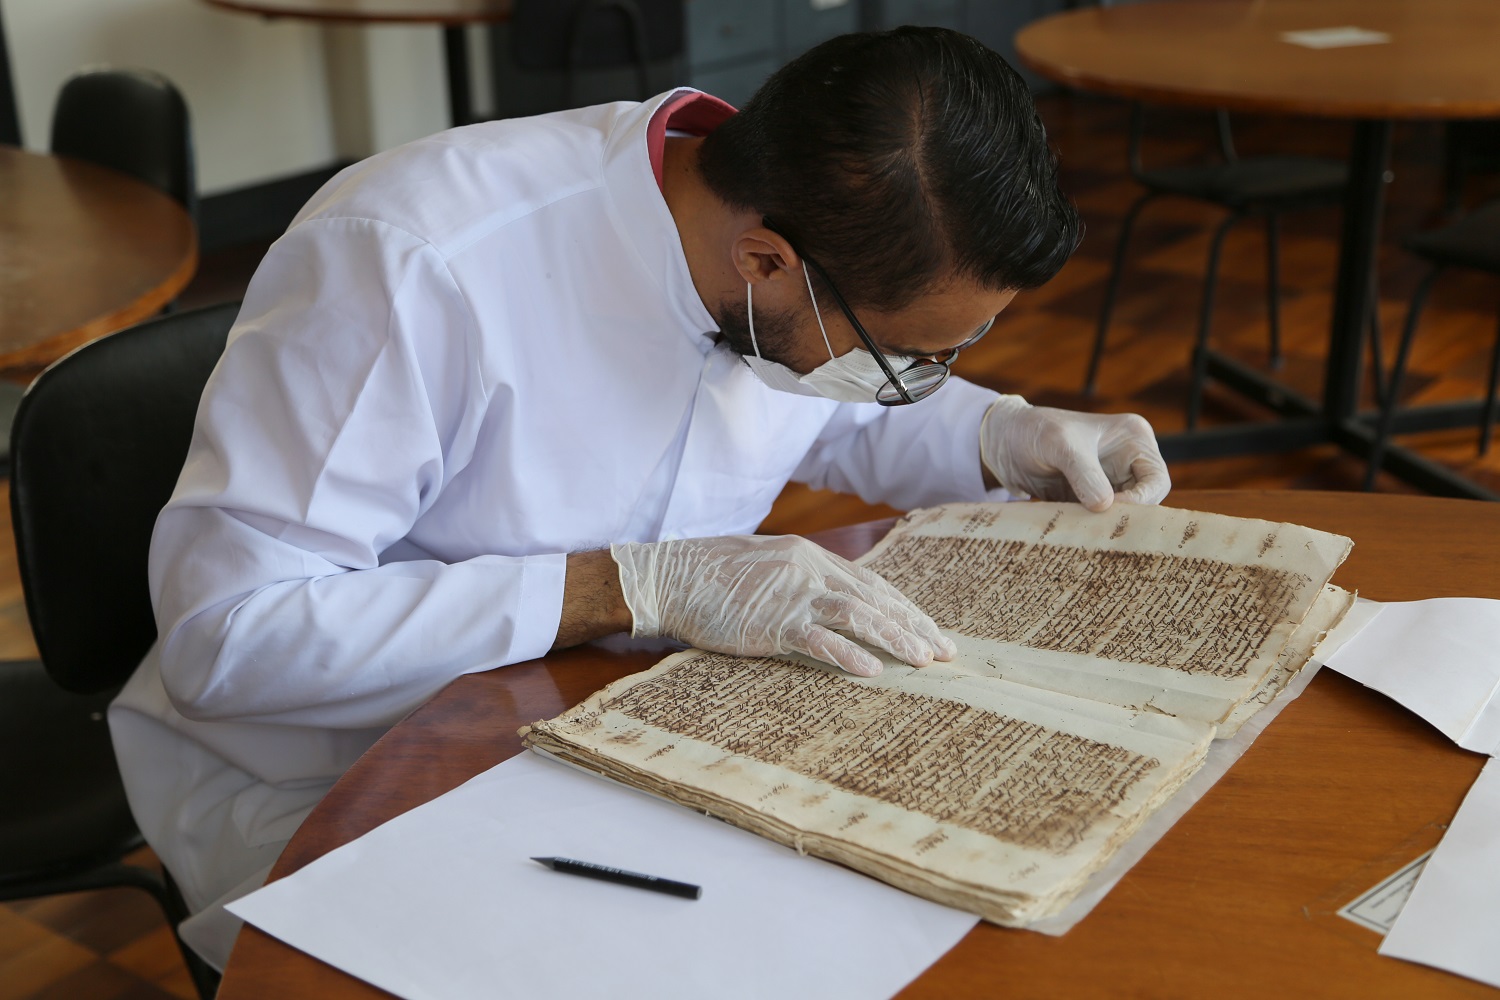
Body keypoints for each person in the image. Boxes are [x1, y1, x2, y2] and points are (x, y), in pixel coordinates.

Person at [110, 26, 1170, 969]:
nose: (913, 384)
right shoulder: (419, 261)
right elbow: (226, 642)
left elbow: (829, 399)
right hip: (337, 774)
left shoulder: (772, 266)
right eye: (909, 359)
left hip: (622, 731)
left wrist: (997, 433)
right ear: (766, 260)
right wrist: (626, 585)